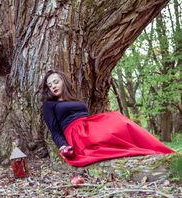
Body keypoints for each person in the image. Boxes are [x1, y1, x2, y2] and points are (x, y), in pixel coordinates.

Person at [40, 70, 175, 167]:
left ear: (63, 81)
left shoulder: (74, 99)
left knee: (117, 119)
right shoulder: (50, 105)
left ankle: (160, 149)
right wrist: (63, 146)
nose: (53, 86)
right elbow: (55, 131)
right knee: (107, 131)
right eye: (50, 85)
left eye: (55, 82)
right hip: (76, 133)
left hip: (89, 124)